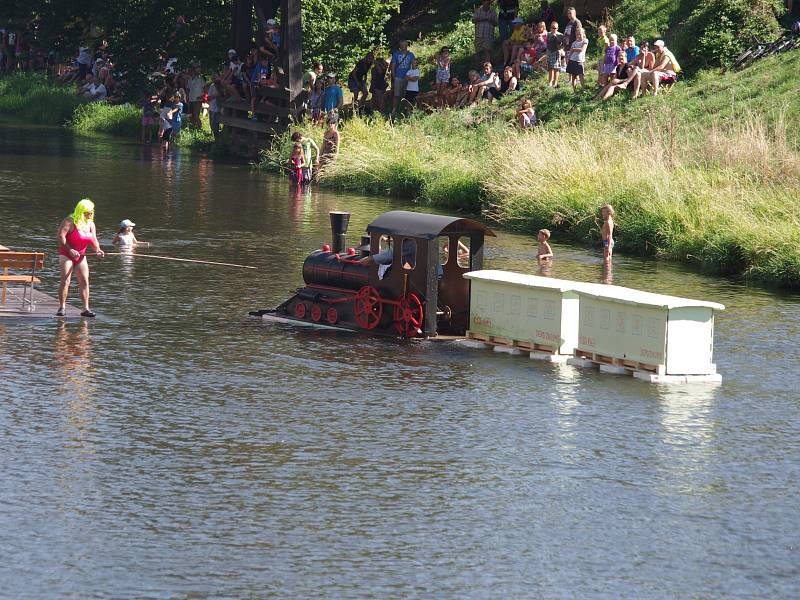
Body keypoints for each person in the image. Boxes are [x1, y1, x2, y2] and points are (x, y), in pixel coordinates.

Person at [57, 198, 104, 317]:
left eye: (92, 211)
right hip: (66, 254)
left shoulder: (91, 224)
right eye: (88, 212)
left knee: (84, 281)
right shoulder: (70, 221)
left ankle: (85, 309)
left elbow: (93, 240)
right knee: (65, 280)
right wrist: (70, 250)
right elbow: (60, 237)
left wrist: (98, 250)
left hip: (81, 256)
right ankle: (62, 307)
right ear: (81, 211)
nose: (91, 214)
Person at [389, 40, 414, 113]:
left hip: (408, 78)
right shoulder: (396, 54)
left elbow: (414, 66)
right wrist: (394, 77)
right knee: (396, 95)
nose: (403, 47)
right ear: (400, 46)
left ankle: (408, 110)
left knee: (407, 95)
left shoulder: (411, 55)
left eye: (405, 45)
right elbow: (393, 66)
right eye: (402, 45)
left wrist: (413, 76)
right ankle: (394, 110)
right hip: (398, 77)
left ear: (407, 46)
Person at [566, 27, 588, 91]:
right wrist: (568, 58)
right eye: (577, 34)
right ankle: (574, 90)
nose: (578, 35)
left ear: (583, 34)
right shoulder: (574, 43)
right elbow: (570, 52)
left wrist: (573, 49)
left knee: (581, 75)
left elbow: (582, 49)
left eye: (580, 34)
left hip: (579, 61)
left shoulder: (585, 40)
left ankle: (583, 89)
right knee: (573, 76)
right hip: (572, 60)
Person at [186, 65, 206, 129]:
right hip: (191, 99)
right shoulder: (189, 80)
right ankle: (193, 127)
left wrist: (203, 97)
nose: (190, 73)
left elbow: (205, 89)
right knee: (191, 115)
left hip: (198, 99)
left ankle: (200, 128)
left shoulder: (200, 79)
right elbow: (188, 89)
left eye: (191, 71)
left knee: (196, 115)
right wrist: (187, 97)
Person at [546, 21, 564, 87]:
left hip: (556, 52)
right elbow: (546, 44)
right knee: (550, 68)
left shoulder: (560, 35)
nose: (553, 29)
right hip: (549, 52)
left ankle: (555, 83)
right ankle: (550, 82)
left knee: (556, 68)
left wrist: (557, 39)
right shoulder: (548, 34)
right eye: (552, 28)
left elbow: (561, 46)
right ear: (550, 28)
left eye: (555, 28)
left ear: (557, 28)